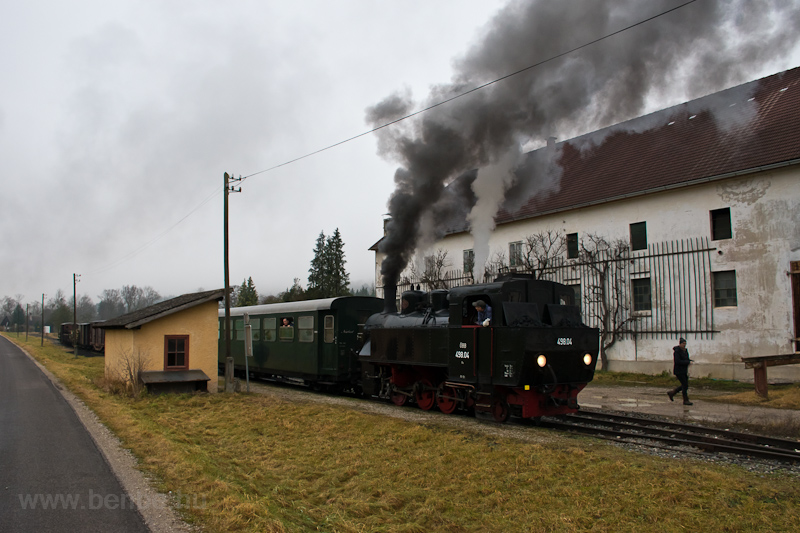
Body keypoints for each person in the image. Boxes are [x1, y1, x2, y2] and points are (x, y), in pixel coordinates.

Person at [668, 338, 693, 405]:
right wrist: (687, 362)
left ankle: (672, 393)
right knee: (685, 385)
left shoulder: (685, 351)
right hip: (679, 371)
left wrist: (689, 361)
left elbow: (686, 359)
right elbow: (677, 361)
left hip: (684, 370)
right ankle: (685, 400)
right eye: (683, 343)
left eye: (685, 343)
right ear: (680, 344)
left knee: (685, 385)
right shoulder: (677, 351)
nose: (684, 345)